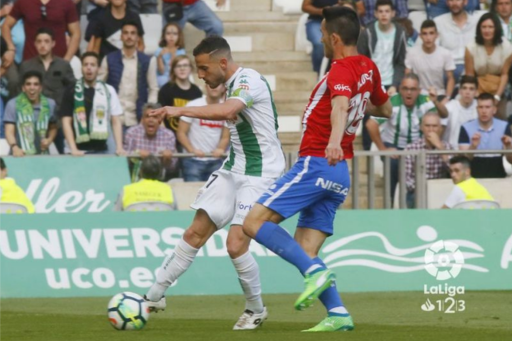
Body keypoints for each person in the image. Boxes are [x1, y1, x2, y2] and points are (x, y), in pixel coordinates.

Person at [243, 7, 392, 332]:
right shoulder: (368, 67)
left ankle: (314, 274)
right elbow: (386, 109)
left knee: (252, 222)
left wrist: (335, 139)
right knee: (306, 250)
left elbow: (340, 105)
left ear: (335, 38)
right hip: (340, 174)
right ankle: (337, 312)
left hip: (317, 161)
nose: (321, 38)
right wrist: (359, 104)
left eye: (323, 34)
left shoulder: (339, 69)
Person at [144, 36, 286, 330]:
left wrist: (178, 110)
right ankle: (153, 296)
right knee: (195, 231)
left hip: (261, 173)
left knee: (235, 245)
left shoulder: (248, 80)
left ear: (223, 63)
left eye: (204, 68)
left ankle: (255, 309)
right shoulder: (229, 84)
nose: (200, 74)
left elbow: (227, 112)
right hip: (234, 168)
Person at [366, 73, 448, 203]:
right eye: (405, 89)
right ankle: (390, 203)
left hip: (418, 148)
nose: (409, 93)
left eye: (413, 89)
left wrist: (436, 101)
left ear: (419, 91)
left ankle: (423, 202)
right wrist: (383, 149)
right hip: (394, 148)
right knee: (391, 164)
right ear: (399, 90)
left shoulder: (425, 101)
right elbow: (371, 124)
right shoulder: (391, 102)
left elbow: (444, 115)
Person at [60, 52, 125, 156]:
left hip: (102, 150)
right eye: (85, 65)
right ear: (81, 68)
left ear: (98, 69)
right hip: (77, 151)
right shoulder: (71, 90)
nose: (89, 68)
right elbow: (66, 121)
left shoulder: (109, 90)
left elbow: (116, 121)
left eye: (92, 65)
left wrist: (119, 147)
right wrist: (73, 148)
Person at [99, 21, 158, 130]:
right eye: (126, 33)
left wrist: (148, 113)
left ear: (138, 38)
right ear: (121, 37)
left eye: (132, 33)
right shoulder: (109, 59)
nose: (129, 36)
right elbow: (99, 86)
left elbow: (153, 89)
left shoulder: (147, 61)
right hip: (112, 118)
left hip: (137, 119)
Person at [1, 0, 80, 67]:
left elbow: (76, 33)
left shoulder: (66, 2)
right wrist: (11, 48)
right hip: (30, 63)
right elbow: (6, 26)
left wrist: (66, 60)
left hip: (58, 64)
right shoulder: (23, 2)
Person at [178, 83, 230, 181]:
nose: (214, 86)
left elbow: (225, 136)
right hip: (193, 160)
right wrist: (192, 150)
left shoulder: (226, 108)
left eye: (218, 85)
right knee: (192, 195)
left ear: (223, 88)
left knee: (215, 195)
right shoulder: (193, 105)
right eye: (211, 85)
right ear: (205, 86)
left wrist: (220, 148)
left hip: (215, 161)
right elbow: (181, 133)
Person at [465, 12, 512, 118]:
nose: (487, 30)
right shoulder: (470, 47)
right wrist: (475, 94)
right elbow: (470, 75)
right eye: (484, 27)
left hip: (498, 86)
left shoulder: (507, 47)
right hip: (478, 86)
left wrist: (497, 97)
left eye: (490, 27)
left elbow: (505, 74)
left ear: (496, 28)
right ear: (479, 29)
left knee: (499, 116)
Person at [357, 0, 407, 96]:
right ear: (375, 14)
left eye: (387, 11)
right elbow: (361, 60)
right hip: (371, 83)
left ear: (393, 13)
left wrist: (395, 85)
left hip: (391, 84)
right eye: (380, 11)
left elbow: (401, 63)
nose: (384, 15)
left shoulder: (401, 33)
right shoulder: (367, 33)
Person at [19, 28, 76, 111]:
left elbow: (72, 88)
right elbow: (19, 92)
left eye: (46, 41)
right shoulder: (26, 66)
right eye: (39, 41)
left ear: (53, 43)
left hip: (58, 112)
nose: (42, 45)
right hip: (32, 112)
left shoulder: (63, 65)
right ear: (35, 44)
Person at [4, 70, 57, 156]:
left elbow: (53, 127)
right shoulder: (13, 104)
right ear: (23, 88)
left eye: (36, 84)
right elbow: (9, 131)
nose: (32, 87)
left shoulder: (50, 104)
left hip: (42, 156)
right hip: (19, 155)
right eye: (28, 84)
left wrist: (49, 140)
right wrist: (14, 147)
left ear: (40, 88)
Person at [459, 92, 512, 177]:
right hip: (473, 177)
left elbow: (511, 161)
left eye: (487, 107)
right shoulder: (465, 127)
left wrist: (508, 147)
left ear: (494, 109)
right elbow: (464, 161)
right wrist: (473, 146)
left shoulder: (504, 126)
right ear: (477, 109)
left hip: (498, 176)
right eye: (481, 107)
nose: (484, 111)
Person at [405, 113, 452, 208]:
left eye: (434, 126)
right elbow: (407, 180)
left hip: (441, 190)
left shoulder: (447, 147)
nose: (431, 129)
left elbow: (454, 171)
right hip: (418, 191)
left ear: (440, 128)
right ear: (421, 128)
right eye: (427, 126)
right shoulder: (411, 148)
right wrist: (427, 189)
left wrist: (440, 147)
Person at [434, 0, 485, 83]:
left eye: (458, 0)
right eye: (451, 0)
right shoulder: (438, 22)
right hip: (448, 69)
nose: (454, 3)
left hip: (471, 67)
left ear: (465, 2)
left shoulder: (476, 22)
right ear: (447, 2)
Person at [124, 103, 178, 180]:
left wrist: (168, 159)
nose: (151, 120)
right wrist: (136, 154)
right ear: (142, 119)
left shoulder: (168, 135)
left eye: (155, 117)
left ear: (160, 120)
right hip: (136, 179)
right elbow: (124, 161)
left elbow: (172, 167)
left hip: (160, 179)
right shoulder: (132, 133)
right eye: (147, 116)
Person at [405, 20, 456, 100]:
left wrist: (447, 98)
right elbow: (407, 76)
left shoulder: (445, 53)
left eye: (431, 33)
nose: (428, 38)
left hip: (439, 94)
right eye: (425, 34)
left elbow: (450, 78)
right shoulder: (412, 53)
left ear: (437, 35)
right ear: (420, 36)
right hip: (418, 95)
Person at [158, 55, 203, 135]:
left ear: (191, 68)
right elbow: (160, 115)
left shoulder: (197, 91)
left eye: (185, 65)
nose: (182, 68)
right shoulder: (166, 90)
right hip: (170, 136)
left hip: (191, 136)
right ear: (173, 70)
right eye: (178, 66)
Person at [301, 0, 339, 74]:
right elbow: (305, 6)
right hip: (315, 20)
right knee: (319, 44)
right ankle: (319, 72)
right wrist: (321, 11)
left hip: (336, 21)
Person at [441, 75, 478, 147]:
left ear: (476, 92)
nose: (467, 92)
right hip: (452, 152)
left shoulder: (480, 107)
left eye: (471, 89)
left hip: (474, 152)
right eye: (464, 88)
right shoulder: (449, 107)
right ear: (459, 91)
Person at [155, 23, 186, 88]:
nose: (171, 36)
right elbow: (162, 71)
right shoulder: (159, 50)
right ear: (164, 35)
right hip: (162, 78)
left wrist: (173, 54)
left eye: (175, 34)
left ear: (179, 36)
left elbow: (175, 70)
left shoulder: (181, 51)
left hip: (176, 76)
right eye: (168, 33)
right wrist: (159, 57)